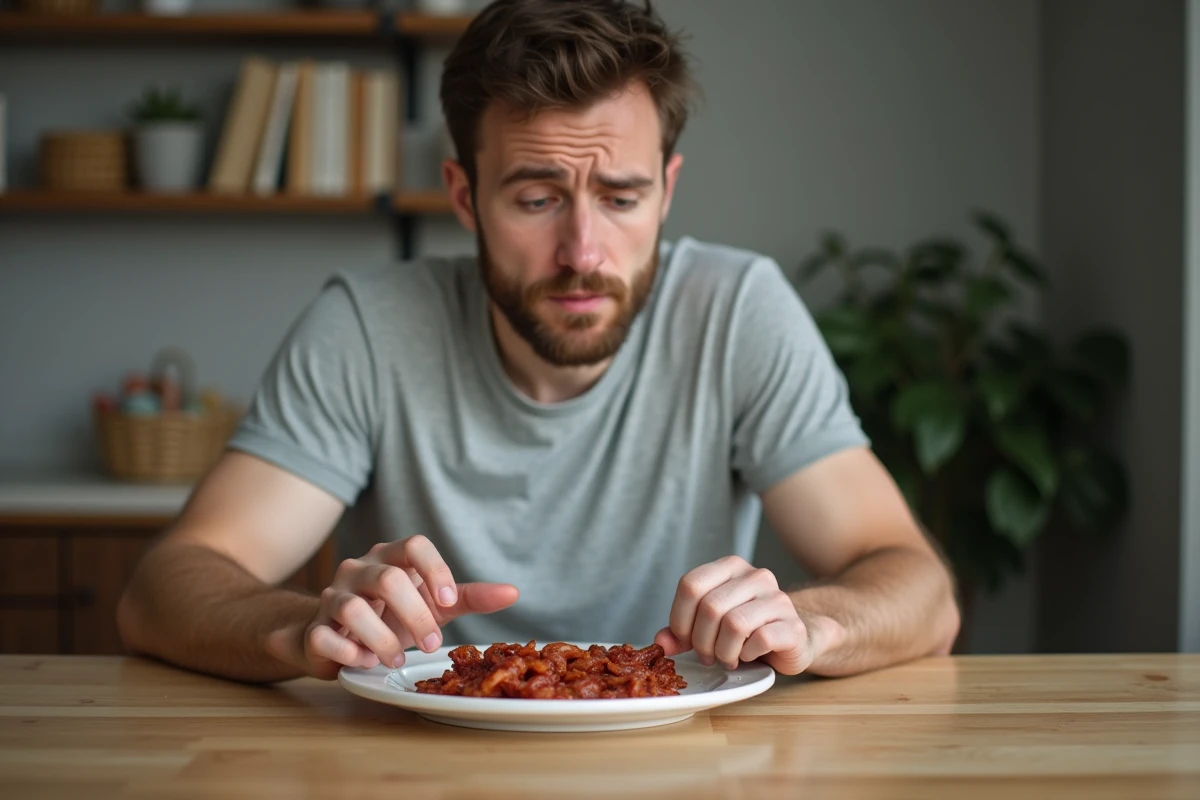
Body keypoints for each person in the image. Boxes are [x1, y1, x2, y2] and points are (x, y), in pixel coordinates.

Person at [117, 0, 959, 684]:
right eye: (535, 199)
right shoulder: (368, 327)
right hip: (417, 765)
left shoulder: (738, 311)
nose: (583, 253)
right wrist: (302, 625)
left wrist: (812, 621)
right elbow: (164, 588)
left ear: (666, 192)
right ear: (464, 194)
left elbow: (918, 587)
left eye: (622, 199)